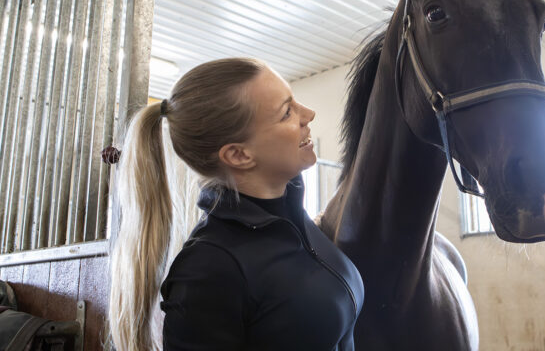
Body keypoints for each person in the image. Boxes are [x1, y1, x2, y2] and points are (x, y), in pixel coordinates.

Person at [107, 58, 365, 351]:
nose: (309, 114)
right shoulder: (209, 270)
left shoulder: (294, 219)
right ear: (239, 155)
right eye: (287, 112)